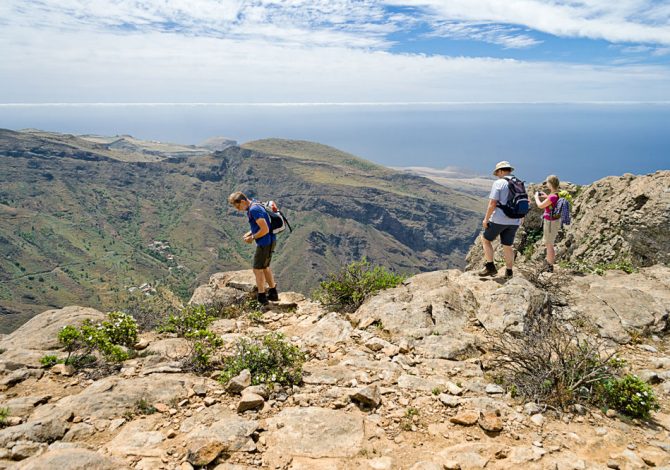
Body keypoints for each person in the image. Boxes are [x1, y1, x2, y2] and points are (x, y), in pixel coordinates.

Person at [228, 191, 278, 304]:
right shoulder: (256, 204)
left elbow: (264, 229)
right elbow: (261, 225)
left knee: (257, 269)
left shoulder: (253, 210)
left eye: (238, 206)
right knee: (265, 267)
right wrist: (250, 233)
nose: (238, 209)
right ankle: (273, 293)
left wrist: (252, 238)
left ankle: (262, 297)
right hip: (271, 240)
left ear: (243, 201)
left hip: (264, 243)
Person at [478, 161, 523, 279]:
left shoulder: (499, 183)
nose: (497, 175)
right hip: (515, 220)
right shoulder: (519, 183)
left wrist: (486, 219)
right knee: (507, 245)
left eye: (497, 172)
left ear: (502, 171)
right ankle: (509, 272)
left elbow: (492, 203)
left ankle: (490, 267)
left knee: (486, 240)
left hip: (499, 219)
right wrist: (520, 219)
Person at [534, 175, 562, 273]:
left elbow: (540, 205)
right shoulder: (557, 194)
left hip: (550, 222)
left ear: (550, 184)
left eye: (547, 182)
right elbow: (552, 200)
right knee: (549, 243)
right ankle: (549, 264)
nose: (546, 184)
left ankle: (549, 267)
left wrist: (536, 197)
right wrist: (546, 196)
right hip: (553, 220)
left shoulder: (553, 196)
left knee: (549, 244)